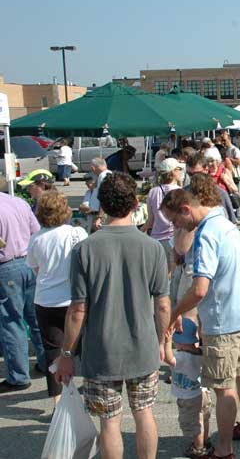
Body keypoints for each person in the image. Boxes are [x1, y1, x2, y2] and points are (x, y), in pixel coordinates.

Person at [54, 172, 170, 459]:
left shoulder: (84, 250)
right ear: (134, 204)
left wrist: (66, 352)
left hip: (101, 352)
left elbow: (78, 309)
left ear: (102, 205)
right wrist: (163, 340)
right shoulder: (152, 247)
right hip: (142, 348)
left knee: (109, 422)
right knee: (144, 414)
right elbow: (163, 305)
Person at [162, 185, 240, 459]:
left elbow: (199, 289)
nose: (177, 227)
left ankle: (224, 449)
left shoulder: (206, 233)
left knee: (222, 387)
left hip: (222, 320)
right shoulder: (226, 224)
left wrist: (174, 313)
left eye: (175, 221)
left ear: (186, 209)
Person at [27, 190, 88, 406]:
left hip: (46, 300)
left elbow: (35, 268)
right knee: (83, 349)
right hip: (74, 298)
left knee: (53, 351)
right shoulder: (77, 233)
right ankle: (88, 393)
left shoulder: (36, 239)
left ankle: (58, 403)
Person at [0, 184, 46, 393]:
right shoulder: (19, 203)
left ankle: (18, 375)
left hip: (7, 266)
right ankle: (46, 362)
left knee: (11, 321)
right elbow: (36, 232)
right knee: (35, 318)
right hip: (28, 262)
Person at [164, 317, 214, 459]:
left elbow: (168, 359)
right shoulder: (201, 352)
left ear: (177, 340)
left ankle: (198, 448)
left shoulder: (181, 357)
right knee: (204, 418)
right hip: (204, 393)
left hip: (188, 397)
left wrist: (166, 342)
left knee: (193, 423)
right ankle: (206, 440)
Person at [140, 158, 185, 275]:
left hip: (156, 238)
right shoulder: (179, 192)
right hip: (173, 237)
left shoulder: (153, 191)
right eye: (179, 169)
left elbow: (150, 220)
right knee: (173, 275)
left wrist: (141, 232)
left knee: (160, 275)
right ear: (172, 172)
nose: (181, 171)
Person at [184, 153, 237, 224]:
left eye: (196, 174)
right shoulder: (183, 193)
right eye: (190, 174)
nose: (193, 178)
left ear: (206, 170)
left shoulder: (219, 193)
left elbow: (232, 222)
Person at [87, 157, 112, 232]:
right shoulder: (105, 175)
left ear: (93, 168)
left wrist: (100, 217)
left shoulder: (104, 176)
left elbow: (104, 197)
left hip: (100, 214)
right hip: (99, 212)